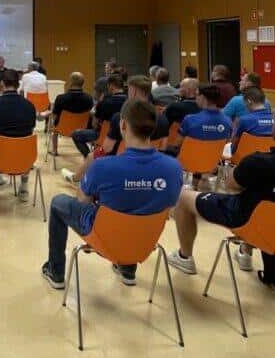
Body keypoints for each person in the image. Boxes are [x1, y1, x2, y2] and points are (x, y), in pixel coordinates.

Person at [167, 100, 275, 275]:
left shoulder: (260, 162)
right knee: (261, 199)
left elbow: (230, 185)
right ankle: (244, 252)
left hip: (248, 224)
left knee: (184, 197)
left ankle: (184, 257)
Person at [42, 98, 183, 289]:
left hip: (104, 241)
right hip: (144, 243)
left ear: (123, 125)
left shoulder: (102, 166)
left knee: (58, 202)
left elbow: (82, 200)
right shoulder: (174, 168)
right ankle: (127, 269)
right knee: (142, 206)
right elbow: (170, 204)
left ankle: (55, 271)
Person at [61, 75, 149, 184]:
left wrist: (93, 156)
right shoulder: (160, 119)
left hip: (115, 149)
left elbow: (107, 147)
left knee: (92, 153)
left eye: (130, 90)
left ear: (134, 91)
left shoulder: (119, 117)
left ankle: (76, 177)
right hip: (145, 163)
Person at [0, 69, 37, 198]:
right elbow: (30, 131)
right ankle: (24, 187)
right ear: (18, 84)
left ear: (2, 84)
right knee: (26, 144)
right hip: (25, 159)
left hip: (0, 159)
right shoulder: (30, 106)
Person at [167, 84, 232, 158]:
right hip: (214, 163)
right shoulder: (228, 121)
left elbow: (177, 144)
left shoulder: (189, 119)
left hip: (189, 162)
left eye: (197, 95)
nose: (195, 98)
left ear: (203, 97)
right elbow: (227, 145)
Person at [70, 74, 126, 158]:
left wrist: (94, 113)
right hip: (124, 137)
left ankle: (91, 157)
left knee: (75, 134)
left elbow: (94, 125)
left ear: (111, 86)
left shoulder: (103, 103)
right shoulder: (130, 102)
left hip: (103, 136)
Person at [230, 87, 273, 155]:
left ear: (249, 101)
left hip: (249, 158)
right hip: (274, 158)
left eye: (244, 102)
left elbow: (233, 146)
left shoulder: (243, 120)